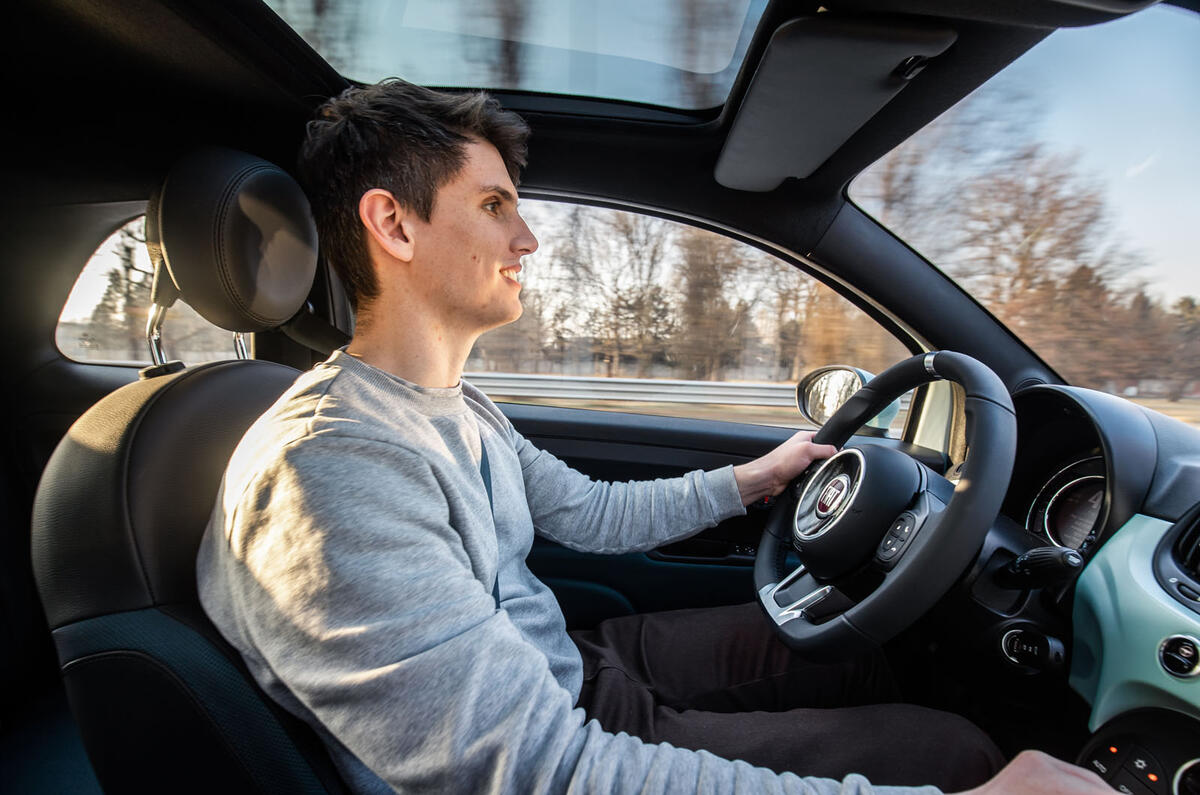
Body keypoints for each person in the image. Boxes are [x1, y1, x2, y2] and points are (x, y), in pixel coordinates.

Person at [196, 80, 1109, 795]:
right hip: (563, 736)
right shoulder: (328, 468)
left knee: (857, 650)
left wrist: (763, 475)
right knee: (951, 752)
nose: (528, 238)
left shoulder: (449, 403)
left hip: (574, 667)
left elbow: (588, 512)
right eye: (493, 206)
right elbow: (535, 774)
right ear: (393, 222)